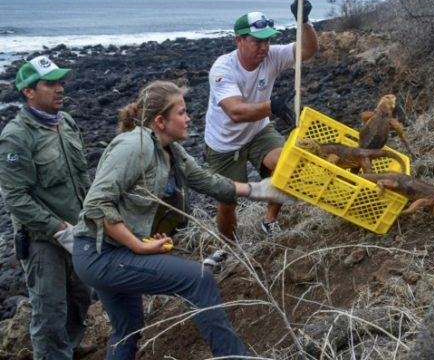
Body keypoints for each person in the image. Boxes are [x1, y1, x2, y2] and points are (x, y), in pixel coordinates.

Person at [70, 80, 294, 359]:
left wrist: (261, 190)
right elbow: (97, 204)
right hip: (99, 254)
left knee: (127, 328)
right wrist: (138, 247)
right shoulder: (132, 147)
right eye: (182, 112)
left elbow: (204, 179)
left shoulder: (171, 150)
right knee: (197, 279)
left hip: (111, 251)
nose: (189, 118)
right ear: (160, 121)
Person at [203, 0, 319, 262]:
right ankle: (229, 248)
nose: (264, 48)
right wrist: (273, 106)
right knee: (227, 203)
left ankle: (269, 220)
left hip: (258, 132)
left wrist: (304, 21)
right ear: (239, 40)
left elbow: (308, 50)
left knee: (286, 165)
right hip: (224, 144)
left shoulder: (272, 57)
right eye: (257, 41)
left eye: (267, 41)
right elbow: (235, 111)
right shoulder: (223, 68)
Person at [0, 56, 95, 360]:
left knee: (80, 296)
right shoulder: (16, 137)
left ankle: (70, 345)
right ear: (28, 91)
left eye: (61, 82)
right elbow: (15, 197)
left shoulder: (65, 122)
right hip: (44, 240)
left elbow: (81, 175)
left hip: (78, 229)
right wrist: (57, 229)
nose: (60, 88)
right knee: (49, 308)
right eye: (51, 83)